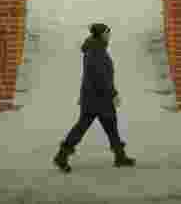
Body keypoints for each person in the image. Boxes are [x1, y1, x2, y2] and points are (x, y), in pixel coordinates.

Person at [53, 23, 136, 172]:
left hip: (93, 97)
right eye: (107, 33)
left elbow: (91, 76)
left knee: (108, 127)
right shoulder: (97, 50)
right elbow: (101, 77)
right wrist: (113, 93)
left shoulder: (94, 48)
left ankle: (119, 156)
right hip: (99, 98)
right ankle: (62, 156)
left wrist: (84, 95)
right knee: (88, 127)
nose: (109, 35)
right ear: (100, 34)